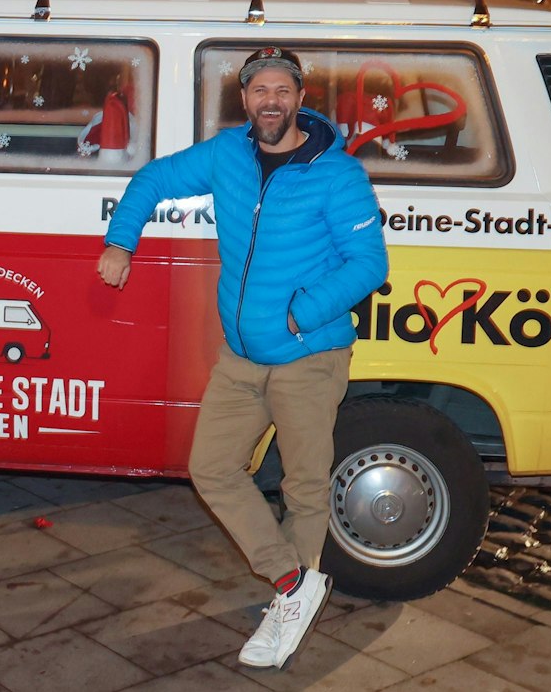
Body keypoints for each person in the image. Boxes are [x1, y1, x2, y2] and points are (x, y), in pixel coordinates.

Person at [97, 47, 387, 671]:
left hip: (309, 356)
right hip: (241, 357)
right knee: (212, 468)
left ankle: (288, 610)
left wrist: (301, 312)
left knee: (304, 486)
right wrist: (121, 241)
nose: (271, 101)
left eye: (282, 90)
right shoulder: (228, 154)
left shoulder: (338, 175)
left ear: (300, 97)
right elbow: (153, 179)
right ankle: (293, 582)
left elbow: (370, 265)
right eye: (260, 91)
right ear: (247, 99)